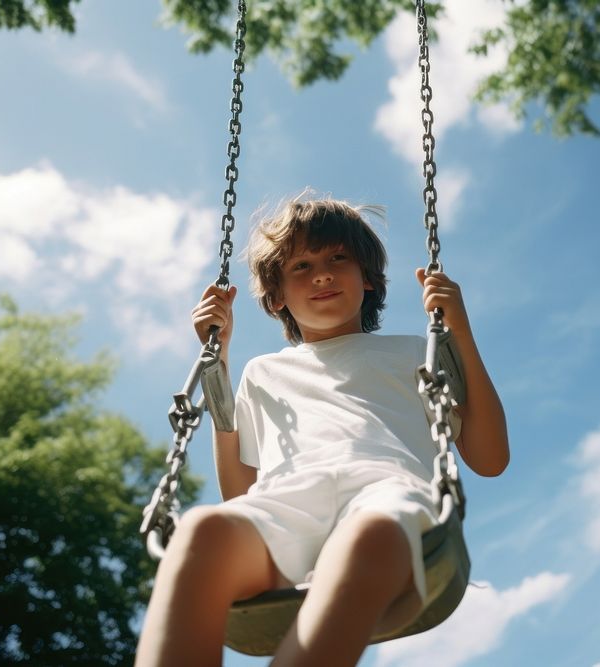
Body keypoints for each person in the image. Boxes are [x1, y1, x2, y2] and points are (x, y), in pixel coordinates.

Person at [135, 196, 509, 667]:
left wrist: (459, 331)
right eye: (302, 266)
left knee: (369, 535)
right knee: (200, 529)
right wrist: (219, 359)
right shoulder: (261, 373)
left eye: (338, 259)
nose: (323, 275)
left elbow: (490, 459)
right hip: (288, 503)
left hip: (386, 491)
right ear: (276, 298)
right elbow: (239, 494)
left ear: (367, 278)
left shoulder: (416, 352)